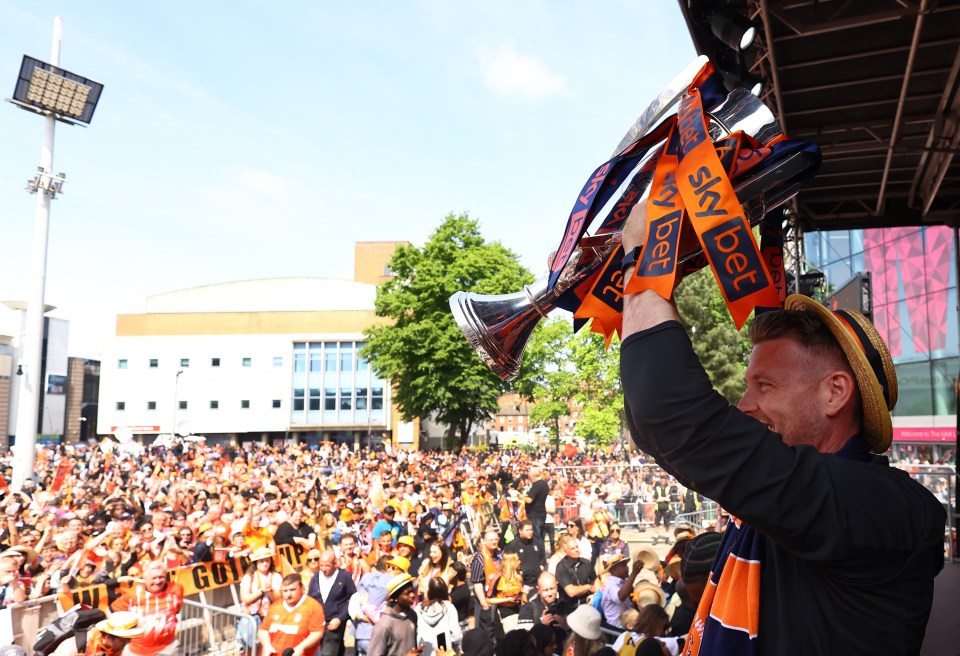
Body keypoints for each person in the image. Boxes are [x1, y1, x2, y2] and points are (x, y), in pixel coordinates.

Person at [619, 204, 946, 653]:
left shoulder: (888, 505)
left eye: (765, 386)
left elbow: (674, 418)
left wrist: (642, 259)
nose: (744, 405)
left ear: (835, 393)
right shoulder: (793, 499)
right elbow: (655, 428)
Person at [110, 560, 183, 656]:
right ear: (145, 578)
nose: (157, 581)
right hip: (138, 651)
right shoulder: (133, 595)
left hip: (168, 647)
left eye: (161, 577)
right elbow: (112, 610)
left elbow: (177, 609)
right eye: (153, 578)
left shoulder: (176, 590)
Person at [259, 573, 326, 656]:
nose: (288, 594)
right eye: (285, 591)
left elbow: (317, 632)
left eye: (292, 590)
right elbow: (263, 629)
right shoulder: (275, 606)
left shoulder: (313, 606)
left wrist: (301, 647)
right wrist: (267, 645)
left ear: (302, 588)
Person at [307, 550, 357, 656]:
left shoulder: (344, 577)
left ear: (335, 563)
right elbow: (310, 599)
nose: (324, 569)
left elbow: (353, 599)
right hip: (318, 623)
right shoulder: (316, 577)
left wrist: (340, 618)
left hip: (334, 622)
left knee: (329, 651)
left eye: (327, 566)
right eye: (321, 566)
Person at [367, 573, 420, 656]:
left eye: (412, 591)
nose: (413, 595)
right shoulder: (384, 625)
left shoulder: (412, 616)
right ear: (395, 597)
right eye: (407, 593)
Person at [239, 547, 283, 648]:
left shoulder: (276, 577)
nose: (265, 564)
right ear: (256, 563)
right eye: (261, 561)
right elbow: (245, 598)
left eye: (267, 560)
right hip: (251, 616)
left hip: (270, 616)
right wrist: (261, 591)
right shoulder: (249, 577)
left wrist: (269, 592)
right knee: (250, 646)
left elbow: (278, 599)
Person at [470, 527, 503, 640]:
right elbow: (477, 583)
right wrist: (483, 603)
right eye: (491, 540)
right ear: (484, 541)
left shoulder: (499, 555)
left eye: (496, 539)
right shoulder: (479, 559)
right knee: (486, 633)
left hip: (499, 598)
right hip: (485, 601)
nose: (494, 542)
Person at [416, 576, 462, 656]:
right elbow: (456, 636)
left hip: (424, 651)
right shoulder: (449, 608)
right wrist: (447, 640)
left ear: (429, 592)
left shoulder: (418, 608)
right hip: (443, 652)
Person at [598, 554, 643, 631]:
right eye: (623, 566)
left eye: (626, 565)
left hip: (628, 625)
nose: (627, 568)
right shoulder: (610, 585)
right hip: (616, 629)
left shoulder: (623, 582)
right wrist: (634, 573)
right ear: (614, 569)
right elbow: (620, 597)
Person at [554, 534, 596, 608]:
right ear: (565, 550)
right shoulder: (561, 567)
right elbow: (571, 592)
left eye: (577, 547)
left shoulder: (586, 563)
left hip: (586, 606)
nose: (576, 550)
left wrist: (595, 594)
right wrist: (588, 587)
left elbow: (596, 583)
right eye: (572, 548)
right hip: (569, 609)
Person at [503, 519, 544, 593]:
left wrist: (541, 566)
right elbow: (507, 564)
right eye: (527, 530)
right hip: (522, 584)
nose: (530, 532)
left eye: (531, 529)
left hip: (537, 582)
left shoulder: (536, 543)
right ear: (520, 531)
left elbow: (542, 558)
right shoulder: (513, 545)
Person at [523, 467, 551, 552]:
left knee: (537, 537)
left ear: (533, 476)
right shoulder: (544, 484)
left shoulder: (537, 485)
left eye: (529, 477)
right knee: (540, 536)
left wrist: (519, 496)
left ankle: (540, 556)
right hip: (541, 514)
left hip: (535, 515)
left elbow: (529, 500)